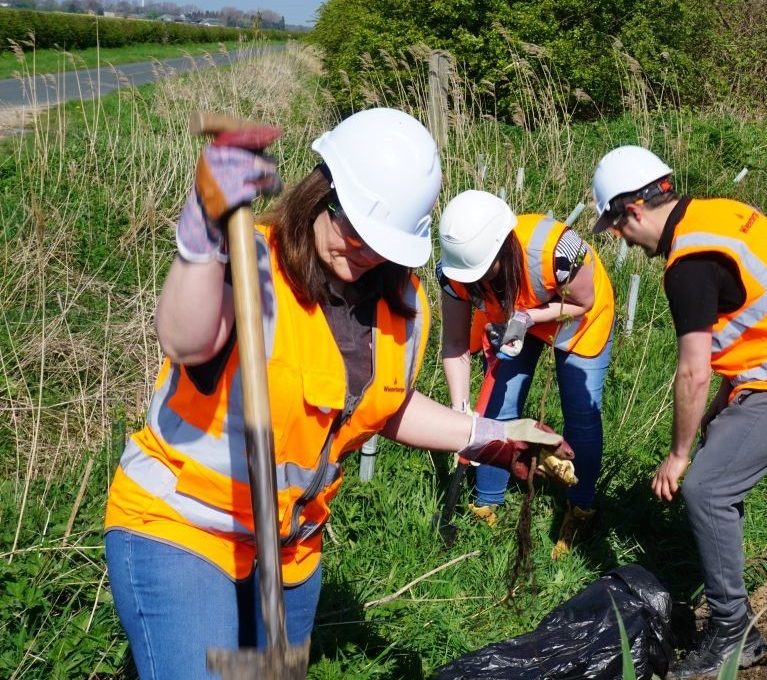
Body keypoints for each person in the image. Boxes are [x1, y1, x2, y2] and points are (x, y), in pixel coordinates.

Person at [102, 108, 573, 680]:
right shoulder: (249, 262)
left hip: (290, 545)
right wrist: (202, 233)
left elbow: (388, 406)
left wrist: (492, 438)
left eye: (381, 244)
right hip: (186, 525)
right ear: (319, 194)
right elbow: (185, 339)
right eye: (351, 230)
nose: (362, 252)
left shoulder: (404, 305)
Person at [590, 145, 767, 678]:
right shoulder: (718, 214)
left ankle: (733, 631)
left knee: (706, 487)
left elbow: (694, 371)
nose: (619, 239)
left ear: (634, 211)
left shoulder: (688, 267)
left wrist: (678, 453)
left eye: (616, 227)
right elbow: (747, 334)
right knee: (715, 466)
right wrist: (713, 420)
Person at [436, 189, 614, 560]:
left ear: (504, 248)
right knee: (496, 408)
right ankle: (487, 504)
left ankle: (580, 509)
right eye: (471, 280)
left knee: (580, 412)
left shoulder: (559, 250)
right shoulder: (455, 273)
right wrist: (462, 414)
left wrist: (531, 317)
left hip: (574, 316)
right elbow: (454, 343)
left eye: (484, 274)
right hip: (511, 317)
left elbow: (583, 302)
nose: (475, 285)